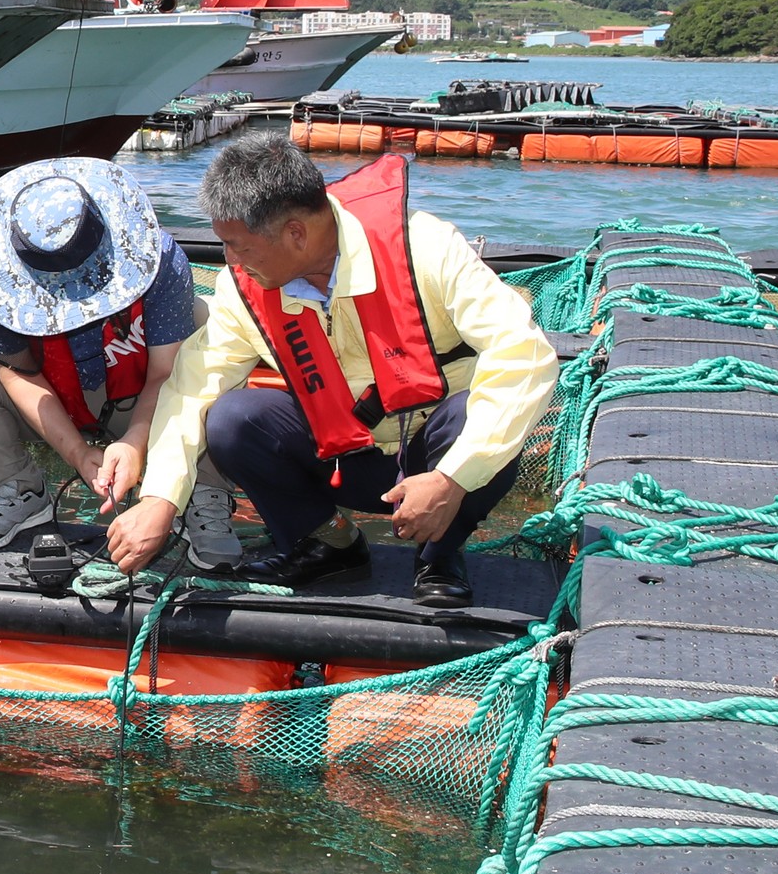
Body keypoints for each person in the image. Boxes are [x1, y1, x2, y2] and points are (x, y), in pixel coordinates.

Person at [106, 134, 558, 606]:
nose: (230, 261)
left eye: (237, 246)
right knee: (232, 418)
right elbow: (190, 389)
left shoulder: (425, 247)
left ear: (295, 234)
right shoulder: (244, 289)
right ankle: (327, 544)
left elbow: (525, 355)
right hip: (344, 457)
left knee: (477, 415)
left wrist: (453, 478)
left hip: (435, 459)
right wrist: (159, 499)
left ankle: (440, 553)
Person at [0, 157, 198, 551]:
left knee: (206, 344)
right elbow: (14, 374)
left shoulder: (161, 259)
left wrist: (135, 441)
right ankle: (19, 492)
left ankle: (190, 498)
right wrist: (77, 453)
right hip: (52, 393)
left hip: (141, 394)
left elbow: (166, 374)